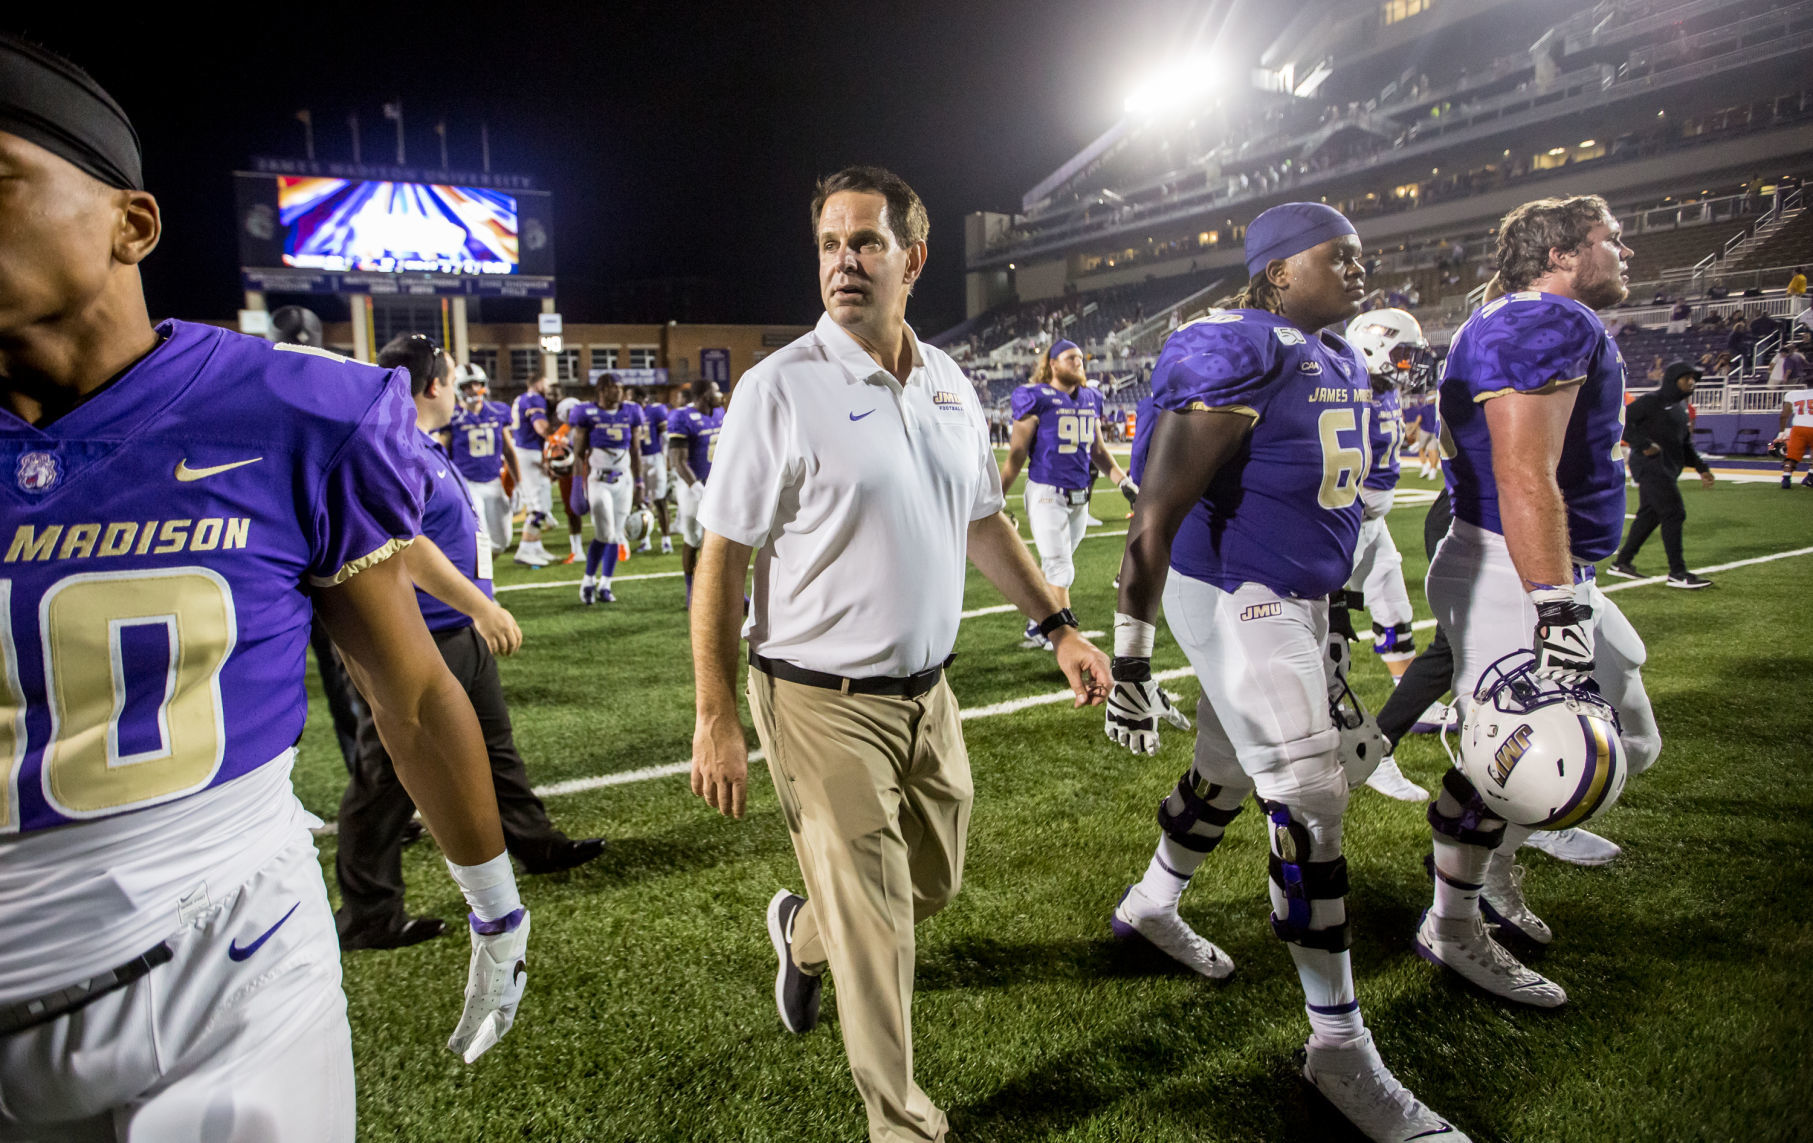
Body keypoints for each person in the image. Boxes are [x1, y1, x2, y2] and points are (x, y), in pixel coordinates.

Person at [0, 38, 527, 1138]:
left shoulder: (294, 412)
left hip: (225, 973)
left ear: (130, 225)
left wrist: (493, 907)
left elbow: (414, 693)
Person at [688, 166, 1109, 1143]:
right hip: (814, 694)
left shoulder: (951, 384)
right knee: (879, 924)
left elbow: (983, 523)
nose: (844, 262)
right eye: (830, 244)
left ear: (912, 259)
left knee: (930, 885)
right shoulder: (779, 388)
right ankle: (902, 1125)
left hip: (929, 694)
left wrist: (1058, 627)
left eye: (865, 243)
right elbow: (723, 559)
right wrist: (714, 714)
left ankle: (799, 934)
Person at [1104, 203, 1468, 1142]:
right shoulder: (1232, 347)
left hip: (1295, 594)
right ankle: (1336, 1045)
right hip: (1231, 585)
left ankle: (1149, 904)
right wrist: (1131, 657)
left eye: (1359, 256)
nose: (1358, 269)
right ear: (1274, 272)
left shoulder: (1341, 354)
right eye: (1336, 257)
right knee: (1308, 791)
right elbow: (1153, 513)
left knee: (1228, 768)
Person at [1420, 194, 1663, 1007]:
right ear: (1561, 253)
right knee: (1516, 757)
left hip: (1527, 564)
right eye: (1610, 239)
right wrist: (1555, 604)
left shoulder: (1503, 317)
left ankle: (1489, 866)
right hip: (1515, 571)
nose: (1623, 252)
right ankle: (1451, 924)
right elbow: (1525, 473)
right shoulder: (1547, 323)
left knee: (1629, 730)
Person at [336, 334, 602, 948]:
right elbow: (407, 543)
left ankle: (538, 844)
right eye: (453, 381)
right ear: (432, 386)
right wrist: (482, 604)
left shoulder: (419, 440)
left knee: (495, 747)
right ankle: (368, 914)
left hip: (451, 628)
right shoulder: (391, 441)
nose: (458, 392)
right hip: (415, 632)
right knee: (384, 778)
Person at [1340, 307, 1432, 803]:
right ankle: (1352, 745)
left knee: (1393, 605)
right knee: (1323, 629)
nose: (1409, 364)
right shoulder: (1349, 386)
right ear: (1375, 344)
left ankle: (1406, 696)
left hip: (1374, 520)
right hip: (1350, 517)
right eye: (1403, 354)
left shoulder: (1385, 388)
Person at [997, 339, 1136, 649]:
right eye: (1070, 358)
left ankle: (1038, 624)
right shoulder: (1036, 398)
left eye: (1080, 358)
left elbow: (1098, 450)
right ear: (1052, 364)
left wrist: (1123, 483)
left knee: (1057, 565)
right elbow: (1017, 454)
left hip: (1079, 496)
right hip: (1047, 491)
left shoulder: (1090, 398)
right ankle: (1063, 637)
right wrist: (997, 497)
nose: (1078, 363)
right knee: (1061, 565)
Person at [1608, 362, 1715, 588]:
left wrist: (1701, 467)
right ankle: (1677, 572)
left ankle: (1621, 562)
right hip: (1649, 466)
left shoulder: (1680, 408)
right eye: (1686, 378)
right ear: (1672, 379)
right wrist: (1642, 443)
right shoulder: (1651, 401)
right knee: (1674, 513)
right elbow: (1622, 422)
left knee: (1651, 515)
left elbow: (1685, 444)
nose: (1691, 382)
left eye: (1693, 379)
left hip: (1667, 468)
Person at [567, 372, 646, 603]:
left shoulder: (631, 411)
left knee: (616, 534)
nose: (619, 391)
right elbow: (579, 454)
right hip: (599, 480)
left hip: (624, 480)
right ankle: (588, 580)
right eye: (613, 387)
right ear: (601, 390)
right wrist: (576, 486)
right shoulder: (586, 413)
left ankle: (605, 585)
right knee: (606, 533)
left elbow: (636, 451)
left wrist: (640, 482)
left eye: (621, 387)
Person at [449, 364, 518, 554]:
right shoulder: (452, 416)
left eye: (476, 384)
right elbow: (442, 454)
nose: (473, 389)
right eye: (467, 386)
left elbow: (509, 451)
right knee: (481, 541)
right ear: (458, 388)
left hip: (494, 481)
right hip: (467, 484)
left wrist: (519, 485)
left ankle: (485, 579)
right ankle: (485, 584)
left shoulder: (497, 411)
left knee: (502, 542)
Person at [667, 379, 724, 606]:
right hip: (691, 484)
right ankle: (691, 590)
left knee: (721, 536)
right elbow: (678, 461)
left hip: (716, 482)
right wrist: (697, 488)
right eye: (715, 391)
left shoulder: (720, 412)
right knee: (693, 538)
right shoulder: (681, 418)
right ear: (703, 395)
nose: (719, 394)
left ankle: (729, 593)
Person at [510, 373, 557, 565]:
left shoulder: (521, 398)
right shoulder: (534, 398)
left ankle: (535, 547)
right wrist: (556, 440)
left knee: (538, 503)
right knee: (540, 506)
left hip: (523, 450)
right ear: (538, 384)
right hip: (530, 453)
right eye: (546, 384)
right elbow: (540, 426)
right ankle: (525, 549)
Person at [636, 383, 675, 553]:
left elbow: (665, 436)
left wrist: (666, 459)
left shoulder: (656, 411)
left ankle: (666, 540)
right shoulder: (629, 411)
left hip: (655, 457)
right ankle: (645, 539)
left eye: (634, 397)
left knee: (660, 500)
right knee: (642, 502)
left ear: (643, 398)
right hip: (638, 459)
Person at [1776, 385, 1813, 488]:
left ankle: (1786, 478)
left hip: (1799, 428)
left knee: (1792, 455)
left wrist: (1782, 432)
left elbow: (1784, 415)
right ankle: (1810, 477)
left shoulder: (1794, 394)